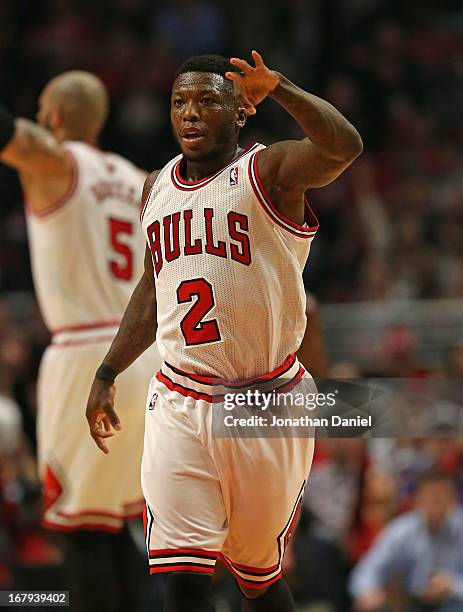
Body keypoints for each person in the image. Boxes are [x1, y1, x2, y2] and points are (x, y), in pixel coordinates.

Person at [86, 51, 362, 612]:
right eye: (180, 102)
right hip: (179, 398)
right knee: (183, 575)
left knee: (256, 577)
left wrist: (280, 86)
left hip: (263, 402)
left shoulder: (268, 173)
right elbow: (152, 285)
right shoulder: (156, 187)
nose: (190, 113)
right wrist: (108, 369)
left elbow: (343, 147)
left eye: (208, 101)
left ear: (240, 113)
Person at [0, 71, 160, 611]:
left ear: (54, 117)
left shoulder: (58, 163)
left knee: (78, 527)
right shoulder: (141, 180)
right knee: (114, 523)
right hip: (145, 353)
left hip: (88, 357)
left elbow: (11, 137)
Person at [350, 470, 463, 611]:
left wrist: (452, 586)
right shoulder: (402, 530)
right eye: (431, 497)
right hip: (412, 603)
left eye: (441, 496)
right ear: (417, 499)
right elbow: (368, 569)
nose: (435, 503)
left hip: (454, 602)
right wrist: (368, 591)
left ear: (453, 499)